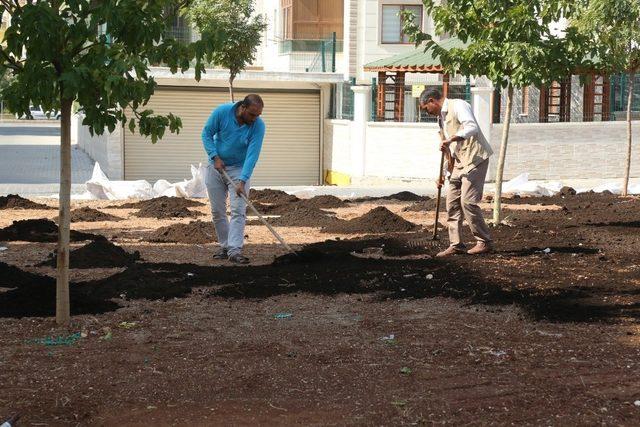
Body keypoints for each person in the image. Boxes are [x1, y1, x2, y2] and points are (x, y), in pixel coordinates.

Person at [419, 88, 493, 256]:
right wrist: (443, 175)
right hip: (458, 163)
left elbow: (472, 127)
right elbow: (449, 151)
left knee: (468, 202)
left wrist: (451, 138)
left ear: (432, 101)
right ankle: (456, 244)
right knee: (452, 204)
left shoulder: (458, 105)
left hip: (475, 158)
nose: (426, 112)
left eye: (425, 108)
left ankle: (484, 241)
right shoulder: (441, 120)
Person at [202, 94, 265, 264]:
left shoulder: (258, 126)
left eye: (258, 115)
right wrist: (214, 157)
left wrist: (243, 181)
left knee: (238, 210)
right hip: (216, 166)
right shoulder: (222, 112)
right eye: (252, 114)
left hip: (238, 168)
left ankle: (235, 250)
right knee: (217, 211)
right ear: (242, 108)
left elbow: (253, 154)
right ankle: (225, 246)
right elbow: (206, 134)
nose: (255, 119)